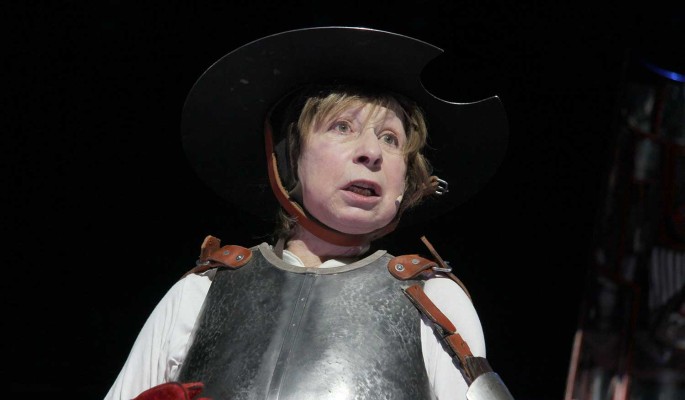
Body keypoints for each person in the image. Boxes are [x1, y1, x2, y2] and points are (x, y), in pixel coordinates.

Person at [104, 26, 513, 400]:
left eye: (391, 139)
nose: (371, 152)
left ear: (406, 182)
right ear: (290, 159)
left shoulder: (434, 300)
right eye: (342, 127)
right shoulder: (201, 292)